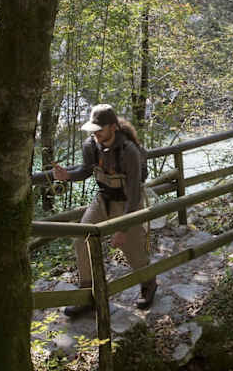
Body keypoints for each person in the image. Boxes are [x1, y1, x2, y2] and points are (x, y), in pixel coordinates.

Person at [38, 104, 156, 317]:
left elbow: (134, 193)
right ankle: (88, 295)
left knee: (133, 249)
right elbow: (85, 170)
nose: (96, 134)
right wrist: (67, 176)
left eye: (99, 130)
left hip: (128, 203)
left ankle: (149, 284)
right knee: (81, 237)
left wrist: (122, 229)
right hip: (103, 199)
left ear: (113, 127)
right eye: (93, 130)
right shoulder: (91, 145)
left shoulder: (129, 151)